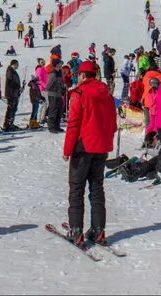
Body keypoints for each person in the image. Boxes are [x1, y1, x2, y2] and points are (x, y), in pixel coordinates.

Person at [62, 61, 117, 246]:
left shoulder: (79, 94)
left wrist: (67, 149)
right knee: (96, 189)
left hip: (83, 146)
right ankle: (98, 229)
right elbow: (113, 123)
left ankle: (76, 230)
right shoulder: (107, 94)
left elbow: (73, 124)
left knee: (76, 189)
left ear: (83, 76)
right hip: (101, 147)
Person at [46, 59, 67, 133]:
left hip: (59, 94)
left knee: (59, 110)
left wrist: (63, 87)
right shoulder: (53, 74)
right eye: (60, 63)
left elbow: (60, 82)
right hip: (53, 94)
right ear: (57, 65)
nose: (61, 64)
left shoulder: (60, 72)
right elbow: (48, 86)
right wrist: (56, 88)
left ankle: (57, 126)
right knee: (53, 110)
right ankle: (51, 127)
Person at [3, 60, 22, 131]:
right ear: (13, 64)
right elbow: (10, 82)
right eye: (17, 64)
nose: (17, 66)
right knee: (11, 109)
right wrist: (17, 87)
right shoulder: (10, 71)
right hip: (11, 93)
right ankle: (7, 124)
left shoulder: (13, 71)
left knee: (13, 109)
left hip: (15, 93)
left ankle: (10, 123)